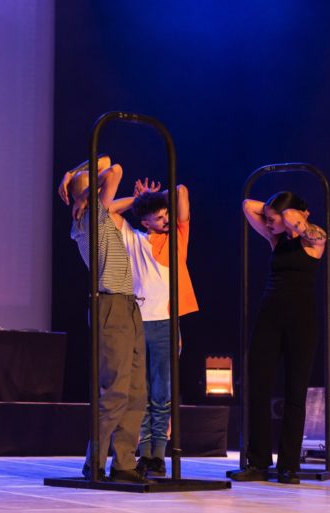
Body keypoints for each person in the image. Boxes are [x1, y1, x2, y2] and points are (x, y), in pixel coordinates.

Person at [57, 156, 148, 483]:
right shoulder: (87, 216)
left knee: (136, 392)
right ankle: (93, 462)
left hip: (129, 305)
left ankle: (124, 462)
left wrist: (71, 172)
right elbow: (115, 169)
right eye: (94, 189)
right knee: (115, 390)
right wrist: (80, 188)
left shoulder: (101, 213)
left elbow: (107, 164)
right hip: (110, 305)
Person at [230, 191, 327, 485]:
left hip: (301, 322)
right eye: (269, 219)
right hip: (269, 319)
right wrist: (275, 211)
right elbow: (247, 205)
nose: (269, 223)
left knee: (295, 393)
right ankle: (258, 461)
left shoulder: (314, 240)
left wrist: (287, 214)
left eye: (274, 219)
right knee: (257, 387)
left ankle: (288, 466)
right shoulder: (276, 239)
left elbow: (300, 224)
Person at [114, 179, 199, 477]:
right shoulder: (133, 238)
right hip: (137, 324)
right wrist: (138, 201)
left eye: (166, 215)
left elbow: (182, 190)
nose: (165, 220)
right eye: (159, 217)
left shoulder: (177, 236)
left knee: (161, 392)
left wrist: (154, 197)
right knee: (141, 393)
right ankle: (144, 451)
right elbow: (108, 210)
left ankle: (158, 454)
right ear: (145, 221)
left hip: (165, 324)